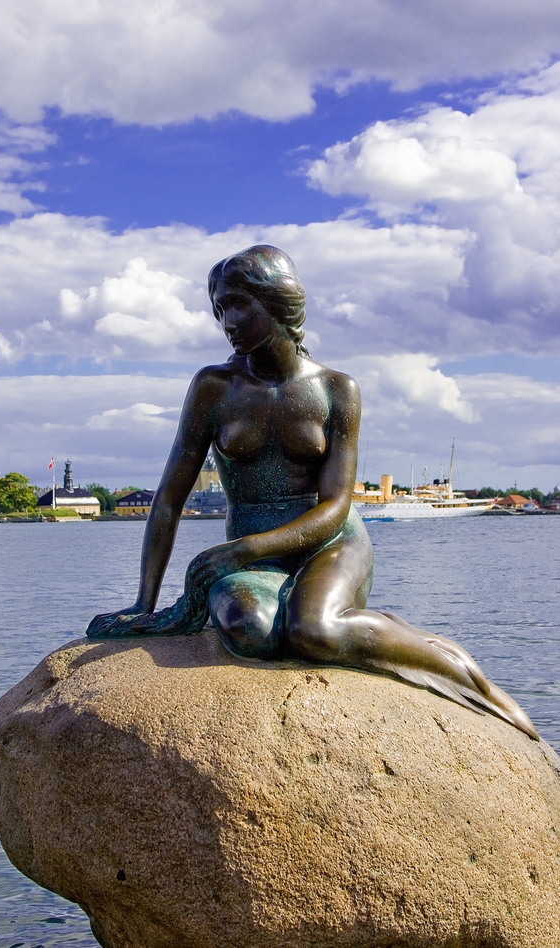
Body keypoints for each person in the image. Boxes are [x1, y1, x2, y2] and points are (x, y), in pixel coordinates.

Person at [88, 245, 538, 740]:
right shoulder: (214, 388)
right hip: (255, 558)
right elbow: (169, 501)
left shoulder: (336, 389)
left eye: (238, 305)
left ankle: (461, 673)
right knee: (249, 631)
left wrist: (240, 550)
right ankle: (348, 622)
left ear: (279, 302)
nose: (227, 322)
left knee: (314, 631)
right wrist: (143, 602)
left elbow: (337, 506)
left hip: (331, 543)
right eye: (219, 309)